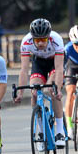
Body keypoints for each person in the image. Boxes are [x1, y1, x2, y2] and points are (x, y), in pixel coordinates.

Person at [14, 18, 67, 147]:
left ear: (49, 37)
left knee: (52, 90)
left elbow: (59, 69)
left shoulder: (56, 39)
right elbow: (24, 69)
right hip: (39, 63)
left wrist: (59, 89)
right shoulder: (26, 42)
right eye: (38, 40)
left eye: (44, 39)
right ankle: (41, 131)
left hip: (55, 62)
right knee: (34, 91)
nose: (41, 43)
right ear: (33, 38)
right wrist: (20, 92)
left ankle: (60, 131)